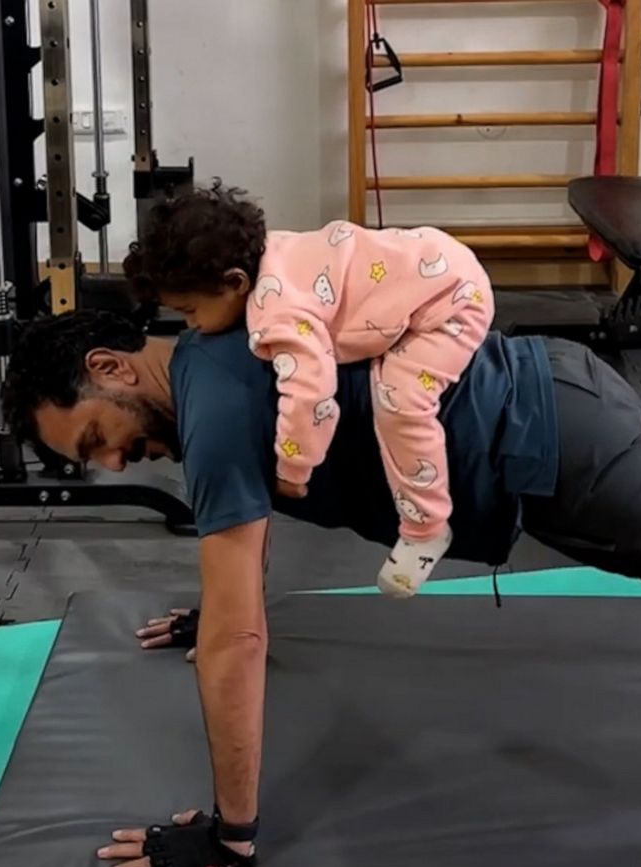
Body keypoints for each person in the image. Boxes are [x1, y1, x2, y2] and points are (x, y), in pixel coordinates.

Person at [0, 308, 641, 867]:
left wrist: (229, 835)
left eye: (96, 435)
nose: (112, 460)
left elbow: (237, 645)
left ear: (112, 367)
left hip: (562, 453)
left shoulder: (209, 422)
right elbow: (243, 547)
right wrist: (224, 609)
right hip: (565, 383)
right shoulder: (216, 349)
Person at [124, 184, 496, 597]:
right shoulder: (271, 250)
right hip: (434, 262)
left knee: (400, 402)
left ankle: (426, 527)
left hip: (450, 303)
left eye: (190, 312)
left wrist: (294, 467)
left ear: (235, 282)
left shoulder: (276, 310)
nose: (191, 327)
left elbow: (312, 393)